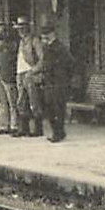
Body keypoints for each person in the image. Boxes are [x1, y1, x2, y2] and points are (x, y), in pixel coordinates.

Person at [33, 13, 73, 143]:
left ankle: (58, 132)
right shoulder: (48, 48)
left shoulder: (59, 48)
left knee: (57, 109)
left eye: (45, 36)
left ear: (51, 35)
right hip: (50, 82)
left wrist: (63, 76)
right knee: (50, 108)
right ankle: (57, 131)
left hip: (58, 82)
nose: (43, 39)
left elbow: (69, 63)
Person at [0, 23, 18, 135]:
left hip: (9, 76)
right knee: (1, 102)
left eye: (1, 32)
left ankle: (14, 125)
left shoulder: (12, 45)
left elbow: (13, 62)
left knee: (12, 102)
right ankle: (4, 125)